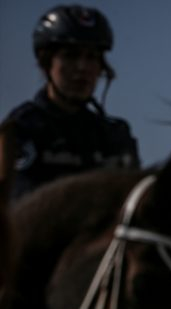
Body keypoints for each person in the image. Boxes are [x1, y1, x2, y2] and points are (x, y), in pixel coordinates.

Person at [0, 4, 140, 201]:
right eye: (70, 56)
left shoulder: (115, 135)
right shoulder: (23, 128)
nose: (82, 67)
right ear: (46, 63)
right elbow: (21, 209)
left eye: (91, 57)